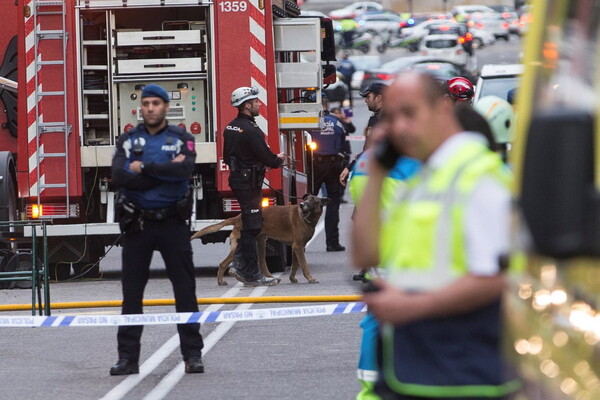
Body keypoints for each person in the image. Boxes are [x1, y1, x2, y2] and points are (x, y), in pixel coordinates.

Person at [353, 72, 519, 399]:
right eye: (392, 115)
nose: (399, 127)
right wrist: (376, 171)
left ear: (443, 109)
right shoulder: (423, 178)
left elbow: (499, 278)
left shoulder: (478, 176)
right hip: (412, 371)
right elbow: (365, 255)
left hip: (465, 376)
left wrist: (412, 307)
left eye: (410, 113)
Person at [110, 83, 204, 375]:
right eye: (145, 103)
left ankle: (192, 354)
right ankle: (128, 359)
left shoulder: (181, 138)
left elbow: (184, 171)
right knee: (132, 293)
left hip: (173, 224)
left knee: (185, 290)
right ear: (141, 107)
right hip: (138, 224)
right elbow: (119, 176)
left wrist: (143, 168)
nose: (150, 108)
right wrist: (162, 170)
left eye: (156, 103)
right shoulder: (128, 138)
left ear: (165, 107)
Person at [224, 86, 285, 286]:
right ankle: (246, 269)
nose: (259, 104)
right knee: (253, 225)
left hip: (240, 180)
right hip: (248, 183)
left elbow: (227, 157)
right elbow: (267, 157)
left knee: (252, 224)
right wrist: (279, 160)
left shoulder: (231, 127)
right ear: (247, 105)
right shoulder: (251, 130)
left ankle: (245, 269)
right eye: (256, 101)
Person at [310, 93, 347, 252]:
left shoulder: (309, 123)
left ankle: (301, 241)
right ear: (325, 105)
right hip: (333, 166)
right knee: (332, 204)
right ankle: (332, 242)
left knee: (308, 203)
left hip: (314, 166)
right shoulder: (337, 123)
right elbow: (343, 145)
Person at [339, 82, 387, 187]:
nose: (366, 100)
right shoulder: (380, 116)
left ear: (378, 98)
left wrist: (352, 164)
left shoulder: (385, 118)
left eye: (368, 97)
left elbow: (378, 147)